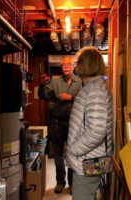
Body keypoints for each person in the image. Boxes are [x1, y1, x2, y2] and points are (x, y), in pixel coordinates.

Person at [66, 47, 113, 200]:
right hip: (89, 159)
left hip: (88, 161)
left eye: (78, 62)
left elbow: (97, 131)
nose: (76, 66)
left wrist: (74, 149)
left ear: (86, 64)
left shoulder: (94, 89)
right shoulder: (93, 86)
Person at [38, 56, 82, 194]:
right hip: (57, 123)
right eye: (63, 64)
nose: (65, 66)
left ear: (73, 66)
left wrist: (71, 98)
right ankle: (60, 182)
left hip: (75, 123)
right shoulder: (55, 83)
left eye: (68, 64)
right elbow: (44, 96)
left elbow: (86, 100)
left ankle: (72, 184)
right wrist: (42, 85)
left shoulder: (80, 82)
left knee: (73, 155)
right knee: (58, 155)